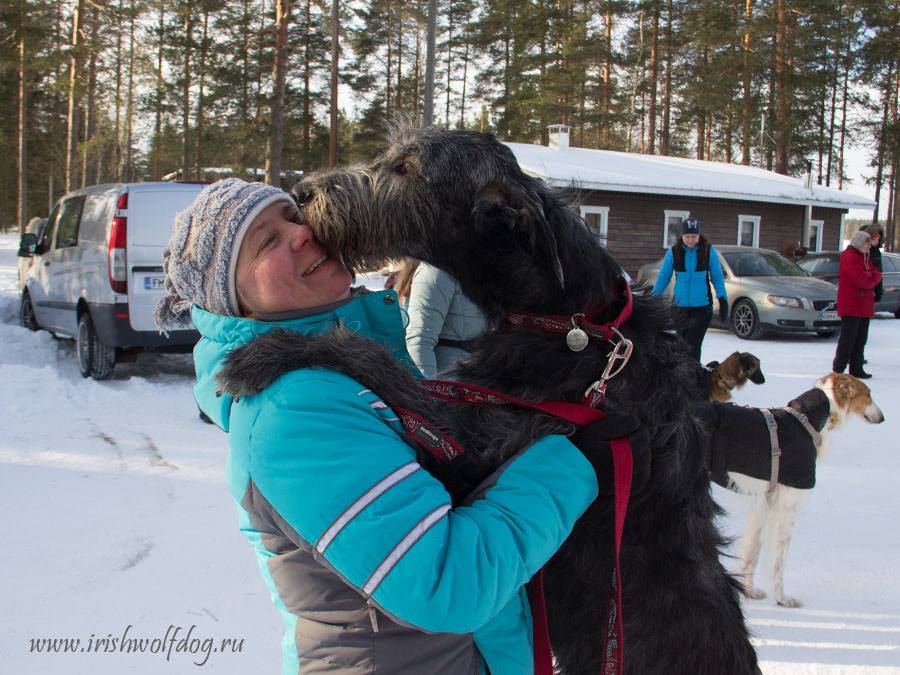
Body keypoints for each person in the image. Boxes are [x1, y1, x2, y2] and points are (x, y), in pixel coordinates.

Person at [155, 178, 649, 675]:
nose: (301, 232)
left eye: (291, 216)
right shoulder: (292, 411)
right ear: (234, 303)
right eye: (266, 241)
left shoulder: (347, 366)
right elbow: (447, 584)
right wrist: (576, 462)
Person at [651, 217, 728, 360]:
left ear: (699, 235)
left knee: (693, 344)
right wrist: (653, 298)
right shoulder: (674, 252)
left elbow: (717, 276)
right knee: (680, 345)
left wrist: (722, 298)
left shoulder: (708, 251)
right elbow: (663, 277)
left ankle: (694, 376)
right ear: (682, 236)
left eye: (694, 236)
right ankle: (683, 377)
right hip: (679, 308)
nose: (691, 240)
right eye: (687, 236)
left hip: (702, 308)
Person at [405, 262, 488, 378]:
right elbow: (419, 341)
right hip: (449, 385)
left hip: (482, 384)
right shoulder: (436, 271)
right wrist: (428, 391)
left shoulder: (490, 268)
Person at [832, 230, 882, 379]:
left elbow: (876, 273)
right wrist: (871, 279)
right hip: (851, 305)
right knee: (848, 339)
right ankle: (838, 370)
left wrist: (871, 278)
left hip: (864, 306)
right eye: (867, 243)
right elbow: (861, 280)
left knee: (861, 339)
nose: (869, 246)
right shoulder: (849, 256)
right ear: (860, 242)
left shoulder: (864, 257)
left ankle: (856, 368)